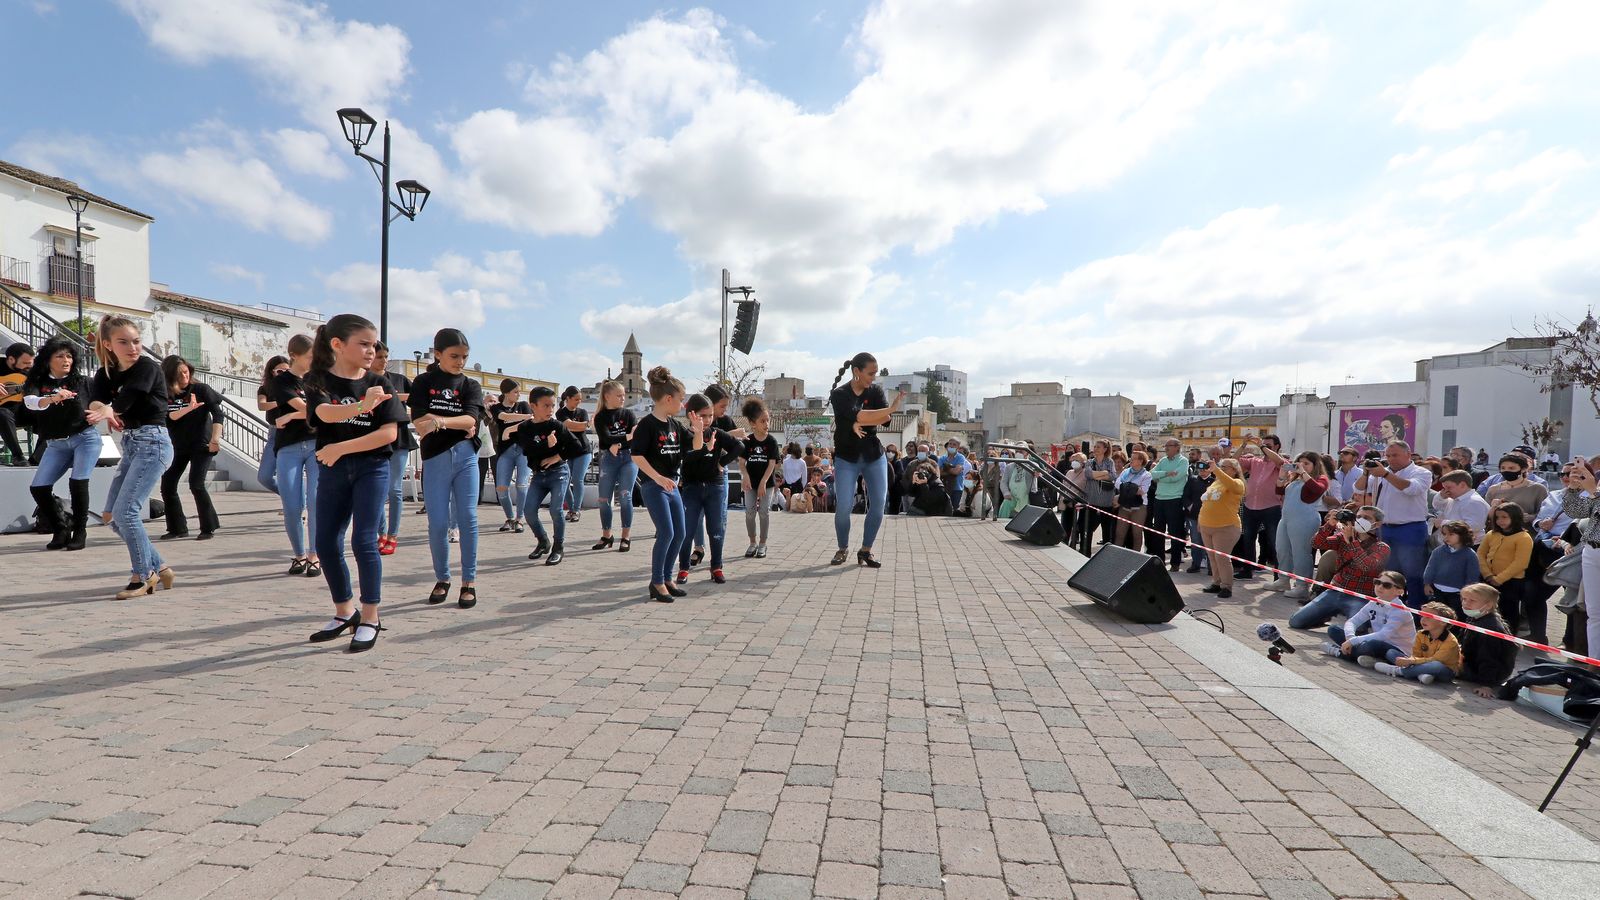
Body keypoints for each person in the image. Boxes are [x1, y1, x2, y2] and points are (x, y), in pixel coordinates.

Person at [303, 314, 404, 652]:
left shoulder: (381, 382)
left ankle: (371, 616)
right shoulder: (317, 380)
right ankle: (345, 611)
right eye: (363, 343)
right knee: (326, 541)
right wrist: (363, 405)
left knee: (364, 540)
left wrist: (340, 447)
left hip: (371, 467)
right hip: (332, 470)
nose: (370, 350)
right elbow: (324, 414)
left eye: (373, 344)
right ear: (337, 344)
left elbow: (388, 433)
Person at [86, 316, 175, 600]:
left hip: (154, 443)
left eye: (136, 341)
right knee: (112, 516)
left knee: (127, 513)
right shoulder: (105, 374)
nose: (132, 347)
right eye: (123, 342)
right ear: (108, 344)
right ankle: (159, 566)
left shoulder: (147, 367)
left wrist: (110, 410)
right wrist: (104, 408)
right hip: (132, 445)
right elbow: (94, 402)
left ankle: (142, 576)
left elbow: (127, 400)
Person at [409, 329, 484, 607]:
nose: (460, 362)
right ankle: (442, 578)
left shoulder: (470, 385)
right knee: (438, 523)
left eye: (465, 357)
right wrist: (456, 419)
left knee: (467, 518)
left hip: (465, 457)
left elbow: (470, 420)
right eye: (454, 356)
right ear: (437, 354)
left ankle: (469, 581)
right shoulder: (423, 381)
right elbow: (418, 420)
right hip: (435, 457)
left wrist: (439, 421)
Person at [827, 353, 904, 567]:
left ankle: (865, 550)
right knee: (844, 506)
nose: (874, 377)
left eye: (876, 373)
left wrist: (876, 415)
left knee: (879, 504)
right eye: (870, 373)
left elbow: (885, 420)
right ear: (857, 372)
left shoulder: (876, 391)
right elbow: (862, 417)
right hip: (846, 457)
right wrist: (888, 410)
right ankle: (842, 548)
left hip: (873, 455)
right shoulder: (839, 394)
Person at [21, 337, 95, 550]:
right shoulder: (38, 382)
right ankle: (60, 529)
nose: (66, 360)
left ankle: (80, 531)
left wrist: (103, 412)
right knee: (39, 488)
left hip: (85, 439)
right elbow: (31, 403)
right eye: (60, 356)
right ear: (48, 360)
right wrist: (52, 398)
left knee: (78, 483)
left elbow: (100, 401)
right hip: (56, 444)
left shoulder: (83, 381)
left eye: (69, 356)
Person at [632, 367, 698, 602]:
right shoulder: (647, 425)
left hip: (672, 487)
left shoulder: (675, 425)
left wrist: (699, 432)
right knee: (666, 533)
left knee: (679, 534)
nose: (683, 405)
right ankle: (657, 581)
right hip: (654, 486)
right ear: (668, 399)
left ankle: (667, 579)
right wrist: (657, 477)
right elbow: (637, 455)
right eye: (681, 400)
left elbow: (696, 446)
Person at [506, 386, 587, 565]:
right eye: (546, 406)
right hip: (538, 476)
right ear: (533, 406)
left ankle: (558, 547)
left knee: (555, 510)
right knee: (529, 511)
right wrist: (547, 445)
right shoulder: (525, 428)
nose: (551, 410)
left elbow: (577, 446)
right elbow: (528, 451)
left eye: (553, 405)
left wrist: (557, 455)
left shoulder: (556, 425)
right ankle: (543, 541)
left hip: (559, 473)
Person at [1353, 440, 1432, 608]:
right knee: (1388, 574)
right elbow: (1358, 488)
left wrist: (1385, 475)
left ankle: (1416, 613)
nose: (1390, 459)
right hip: (1385, 529)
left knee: (1413, 574)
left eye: (1394, 455)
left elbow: (1411, 489)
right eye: (1387, 455)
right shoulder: (1382, 472)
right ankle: (1389, 610)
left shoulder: (1421, 472)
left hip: (1410, 528)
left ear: (1408, 455)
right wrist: (1366, 473)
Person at [675, 394, 742, 584]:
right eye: (702, 416)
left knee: (716, 529)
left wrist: (722, 462)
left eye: (710, 416)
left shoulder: (717, 433)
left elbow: (739, 446)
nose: (706, 420)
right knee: (687, 530)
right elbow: (686, 458)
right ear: (691, 415)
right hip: (692, 488)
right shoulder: (685, 435)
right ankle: (683, 568)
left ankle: (717, 567)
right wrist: (703, 446)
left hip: (715, 486)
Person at [1288, 507, 1391, 630]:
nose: (1360, 520)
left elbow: (1366, 566)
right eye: (1358, 517)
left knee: (1358, 630)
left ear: (1377, 523)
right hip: (1335, 591)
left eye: (1366, 518)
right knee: (1296, 622)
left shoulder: (1382, 547)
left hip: (1360, 597)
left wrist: (1352, 542)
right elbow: (1316, 543)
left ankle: (1362, 621)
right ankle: (1323, 615)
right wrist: (1329, 525)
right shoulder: (1343, 537)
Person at [268, 334, 320, 578]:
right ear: (294, 356)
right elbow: (309, 409)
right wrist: (296, 413)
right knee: (292, 505)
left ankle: (314, 555)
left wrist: (288, 416)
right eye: (310, 356)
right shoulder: (282, 381)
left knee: (316, 502)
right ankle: (299, 554)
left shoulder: (319, 379)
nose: (314, 360)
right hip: (289, 446)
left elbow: (323, 411)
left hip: (316, 443)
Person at [159, 355, 224, 541]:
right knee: (168, 484)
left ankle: (208, 527)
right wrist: (189, 407)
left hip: (202, 444)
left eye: (186, 372)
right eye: (179, 374)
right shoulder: (165, 394)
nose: (184, 377)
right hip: (178, 445)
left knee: (197, 483)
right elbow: (170, 418)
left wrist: (215, 439)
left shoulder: (200, 389)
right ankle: (177, 528)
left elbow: (218, 414)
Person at [369, 342, 415, 556]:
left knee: (394, 488)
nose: (383, 360)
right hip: (373, 438)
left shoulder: (399, 380)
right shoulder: (365, 380)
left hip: (399, 438)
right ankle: (381, 532)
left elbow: (419, 400)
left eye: (386, 356)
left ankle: (393, 535)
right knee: (378, 489)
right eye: (380, 356)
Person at [1321, 571, 1417, 666]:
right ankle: (1366, 657)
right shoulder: (1374, 602)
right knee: (1333, 629)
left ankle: (1339, 653)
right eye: (1377, 582)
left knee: (1369, 645)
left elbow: (1384, 635)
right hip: (1377, 641)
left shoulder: (1400, 611)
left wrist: (1353, 642)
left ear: (1399, 591)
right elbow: (1353, 621)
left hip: (1396, 649)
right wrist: (1350, 637)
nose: (1380, 587)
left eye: (1386, 585)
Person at [1274, 451, 1329, 601]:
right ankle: (1283, 579)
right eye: (1300, 462)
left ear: (1315, 465)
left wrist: (1303, 473)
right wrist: (1282, 473)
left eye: (1307, 463)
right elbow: (1278, 490)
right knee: (1282, 549)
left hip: (1305, 519)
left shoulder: (1321, 479)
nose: (1302, 466)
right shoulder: (1295, 479)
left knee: (1301, 552)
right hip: (1286, 518)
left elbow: (1317, 489)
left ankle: (1302, 585)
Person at [1480, 502, 1538, 643]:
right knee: (1485, 610)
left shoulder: (1523, 538)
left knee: (1508, 613)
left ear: (1515, 517)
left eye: (1504, 517)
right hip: (1488, 580)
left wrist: (1499, 579)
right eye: (1498, 517)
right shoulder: (1491, 534)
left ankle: (1507, 642)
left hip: (1511, 582)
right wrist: (1487, 574)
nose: (1500, 521)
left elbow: (1520, 563)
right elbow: (1481, 554)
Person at [592, 380, 637, 552]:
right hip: (609, 459)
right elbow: (606, 438)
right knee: (604, 500)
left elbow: (634, 436)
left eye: (624, 395)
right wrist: (624, 438)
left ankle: (626, 536)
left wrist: (617, 442)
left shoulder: (628, 414)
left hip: (628, 458)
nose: (622, 398)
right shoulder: (601, 417)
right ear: (607, 396)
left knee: (625, 497)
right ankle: (607, 535)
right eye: (619, 395)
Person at [1453, 583, 1521, 698]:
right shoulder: (1476, 617)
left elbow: (1489, 658)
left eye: (1472, 600)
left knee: (1439, 664)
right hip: (1472, 664)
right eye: (1464, 599)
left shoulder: (1489, 628)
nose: (1466, 603)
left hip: (1485, 673)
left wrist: (1486, 685)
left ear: (1488, 605)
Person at [1233, 435, 1285, 582]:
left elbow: (1280, 462)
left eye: (1269, 445)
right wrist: (1243, 445)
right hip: (1251, 506)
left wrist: (1262, 446)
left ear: (1277, 446)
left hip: (1271, 507)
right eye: (1264, 445)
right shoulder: (1255, 461)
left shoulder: (1278, 461)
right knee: (1248, 540)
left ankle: (1278, 575)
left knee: (1274, 542)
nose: (1264, 447)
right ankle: (1247, 570)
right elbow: (1234, 461)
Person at [1372, 601, 1463, 684]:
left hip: (1444, 671)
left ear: (1443, 622)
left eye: (1428, 617)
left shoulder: (1450, 641)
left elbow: (1436, 660)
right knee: (1391, 653)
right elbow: (1416, 654)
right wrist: (1410, 660)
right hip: (1421, 663)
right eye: (1422, 616)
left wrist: (1411, 661)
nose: (1423, 620)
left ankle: (1397, 671)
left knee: (1436, 665)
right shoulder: (1421, 634)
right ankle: (1420, 674)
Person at [1563, 458, 1600, 659]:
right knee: (1594, 614)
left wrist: (1593, 491)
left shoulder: (1596, 488)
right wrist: (1574, 487)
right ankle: (1594, 663)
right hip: (1592, 551)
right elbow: (1576, 511)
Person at [1197, 456, 1245, 598]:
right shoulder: (1216, 483)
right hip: (1207, 525)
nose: (1221, 469)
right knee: (1212, 557)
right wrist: (1200, 522)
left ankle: (1227, 586)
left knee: (1222, 558)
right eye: (1221, 466)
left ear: (1235, 470)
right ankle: (1216, 583)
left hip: (1226, 527)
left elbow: (1232, 485)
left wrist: (1217, 470)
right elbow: (1206, 503)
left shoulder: (1237, 483)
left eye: (1225, 467)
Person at [738, 397, 778, 558]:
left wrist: (763, 482)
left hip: (766, 484)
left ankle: (763, 544)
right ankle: (752, 542)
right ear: (753, 423)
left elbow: (772, 464)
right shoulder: (747, 441)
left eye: (768, 420)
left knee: (764, 512)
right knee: (749, 512)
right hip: (750, 483)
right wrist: (745, 476)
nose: (767, 424)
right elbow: (741, 463)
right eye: (763, 421)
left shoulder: (772, 441)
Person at [488, 379, 528, 534]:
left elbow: (530, 420)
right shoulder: (496, 408)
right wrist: (524, 417)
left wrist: (509, 430)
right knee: (501, 488)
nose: (518, 395)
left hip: (523, 450)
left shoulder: (523, 405)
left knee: (522, 485)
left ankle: (520, 518)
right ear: (506, 392)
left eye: (519, 392)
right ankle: (510, 517)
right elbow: (503, 416)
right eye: (515, 392)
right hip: (505, 451)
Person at [1148, 438, 1189, 572]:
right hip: (1159, 499)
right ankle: (1160, 561)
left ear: (1177, 447)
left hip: (1175, 499)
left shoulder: (1183, 461)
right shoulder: (1163, 461)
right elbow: (1151, 475)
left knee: (1174, 532)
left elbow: (1176, 477)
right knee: (1158, 532)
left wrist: (1161, 477)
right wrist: (1166, 473)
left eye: (1168, 446)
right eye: (1165, 446)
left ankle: (1175, 563)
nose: (1165, 448)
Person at [1423, 521, 1480, 618]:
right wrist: (1427, 583)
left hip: (1458, 593)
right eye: (1444, 534)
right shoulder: (1438, 551)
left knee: (1456, 616)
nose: (1446, 537)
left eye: (1451, 534)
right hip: (1437, 590)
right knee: (1438, 614)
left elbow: (1472, 575)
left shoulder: (1470, 555)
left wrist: (1468, 592)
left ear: (1462, 535)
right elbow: (1430, 568)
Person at [555, 386, 592, 523]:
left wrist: (585, 424)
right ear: (568, 399)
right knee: (565, 480)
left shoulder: (582, 412)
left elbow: (581, 426)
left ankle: (576, 509)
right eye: (576, 399)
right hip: (568, 451)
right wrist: (587, 424)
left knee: (577, 479)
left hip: (583, 451)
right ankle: (570, 508)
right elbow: (569, 425)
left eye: (580, 399)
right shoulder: (560, 413)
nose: (578, 402)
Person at [254, 355, 288, 494]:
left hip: (292, 432)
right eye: (279, 371)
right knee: (264, 477)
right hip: (274, 433)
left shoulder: (297, 387)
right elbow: (262, 405)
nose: (283, 375)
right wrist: (281, 401)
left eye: (287, 371)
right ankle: (292, 498)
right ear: (271, 372)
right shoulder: (265, 389)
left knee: (287, 475)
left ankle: (295, 503)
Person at [1432, 471, 1490, 545]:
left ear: (1462, 485)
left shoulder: (1474, 501)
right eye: (1444, 488)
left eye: (1449, 487)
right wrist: (1441, 497)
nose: (1446, 491)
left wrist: (1444, 523)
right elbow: (1437, 506)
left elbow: (1474, 525)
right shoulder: (1454, 499)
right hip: (1453, 545)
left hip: (1468, 545)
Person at [0, 342, 34, 466]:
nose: (28, 366)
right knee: (3, 413)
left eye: (30, 362)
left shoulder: (33, 373)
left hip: (24, 412)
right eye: (25, 363)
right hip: (4, 416)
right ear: (11, 359)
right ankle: (18, 456)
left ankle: (37, 458)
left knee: (52, 412)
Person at [1485, 453, 1549, 518]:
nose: (1506, 471)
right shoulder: (1493, 489)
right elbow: (1485, 515)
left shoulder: (1538, 489)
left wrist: (1530, 517)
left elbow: (1545, 513)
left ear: (1523, 469)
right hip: (1499, 527)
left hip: (1526, 526)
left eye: (1511, 468)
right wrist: (1493, 508)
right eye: (1503, 468)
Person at [1112, 450, 1152, 551]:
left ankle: (1136, 559)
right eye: (1131, 458)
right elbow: (1117, 484)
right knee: (1119, 534)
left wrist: (1126, 486)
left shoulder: (1147, 475)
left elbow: (1143, 490)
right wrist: (1133, 487)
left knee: (1137, 534)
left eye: (1133, 458)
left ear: (1140, 461)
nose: (1131, 460)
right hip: (1124, 506)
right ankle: (1115, 556)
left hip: (1139, 507)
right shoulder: (1126, 471)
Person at [1181, 454, 1211, 574]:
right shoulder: (1193, 480)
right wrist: (1190, 507)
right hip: (1193, 516)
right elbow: (1185, 496)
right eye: (1200, 470)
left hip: (1209, 517)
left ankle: (1211, 567)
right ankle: (1196, 564)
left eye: (1205, 469)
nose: (1202, 472)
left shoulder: (1214, 481)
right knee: (1196, 541)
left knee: (1209, 543)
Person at [1083, 439, 1118, 545]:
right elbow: (1088, 474)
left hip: (1106, 500)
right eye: (1095, 447)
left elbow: (1112, 476)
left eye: (1098, 447)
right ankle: (1086, 552)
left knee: (1106, 529)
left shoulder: (1109, 461)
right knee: (1088, 529)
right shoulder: (1090, 461)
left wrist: (1096, 475)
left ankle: (1105, 553)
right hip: (1091, 499)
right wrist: (1104, 473)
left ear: (1105, 449)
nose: (1095, 449)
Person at [938, 440, 969, 512]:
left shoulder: (960, 457)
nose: (951, 446)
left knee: (955, 510)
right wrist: (952, 469)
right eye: (950, 444)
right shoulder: (942, 458)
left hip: (957, 489)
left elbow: (956, 472)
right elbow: (938, 472)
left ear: (958, 447)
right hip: (944, 488)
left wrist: (945, 469)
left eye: (954, 444)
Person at [780, 442, 807, 507]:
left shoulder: (802, 462)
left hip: (797, 485)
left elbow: (804, 477)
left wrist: (802, 487)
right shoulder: (785, 461)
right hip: (787, 485)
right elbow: (784, 473)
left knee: (797, 505)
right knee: (787, 505)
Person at [884, 443, 905, 516]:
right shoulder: (882, 462)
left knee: (894, 510)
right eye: (889, 451)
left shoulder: (898, 462)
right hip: (884, 488)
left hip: (895, 490)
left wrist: (890, 479)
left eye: (893, 451)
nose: (890, 453)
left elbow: (900, 475)